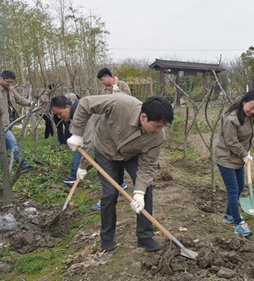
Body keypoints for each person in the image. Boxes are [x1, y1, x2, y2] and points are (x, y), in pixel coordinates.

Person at [67, 94, 174, 252]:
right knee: (110, 193)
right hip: (105, 151)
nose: (159, 130)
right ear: (143, 117)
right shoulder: (120, 104)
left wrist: (138, 192)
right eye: (157, 126)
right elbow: (85, 103)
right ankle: (107, 237)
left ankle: (145, 237)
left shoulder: (157, 137)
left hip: (131, 155)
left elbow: (148, 165)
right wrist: (77, 133)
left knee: (146, 189)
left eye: (162, 126)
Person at [214, 90, 254, 237]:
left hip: (238, 157)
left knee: (241, 186)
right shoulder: (231, 118)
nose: (253, 111)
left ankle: (228, 216)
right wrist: (244, 154)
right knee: (233, 190)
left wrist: (245, 154)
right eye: (251, 107)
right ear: (244, 102)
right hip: (225, 157)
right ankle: (238, 224)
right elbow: (231, 142)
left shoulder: (248, 116)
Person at [91, 67, 132, 210]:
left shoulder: (122, 85)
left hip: (122, 124)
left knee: (120, 154)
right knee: (111, 155)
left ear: (108, 76)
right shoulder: (104, 91)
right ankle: (116, 183)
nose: (102, 82)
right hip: (109, 126)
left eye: (102, 79)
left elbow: (128, 100)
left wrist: (117, 91)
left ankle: (120, 182)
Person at [50, 95, 97, 184]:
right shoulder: (76, 110)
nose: (59, 117)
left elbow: (90, 142)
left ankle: (74, 176)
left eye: (59, 113)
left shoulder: (81, 113)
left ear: (67, 107)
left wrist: (82, 167)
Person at [0, 70, 32, 169]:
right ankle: (23, 164)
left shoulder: (10, 89)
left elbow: (19, 100)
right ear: (1, 79)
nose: (10, 84)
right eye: (8, 82)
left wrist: (31, 104)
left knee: (5, 144)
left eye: (11, 82)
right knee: (13, 142)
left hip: (11, 121)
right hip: (1, 123)